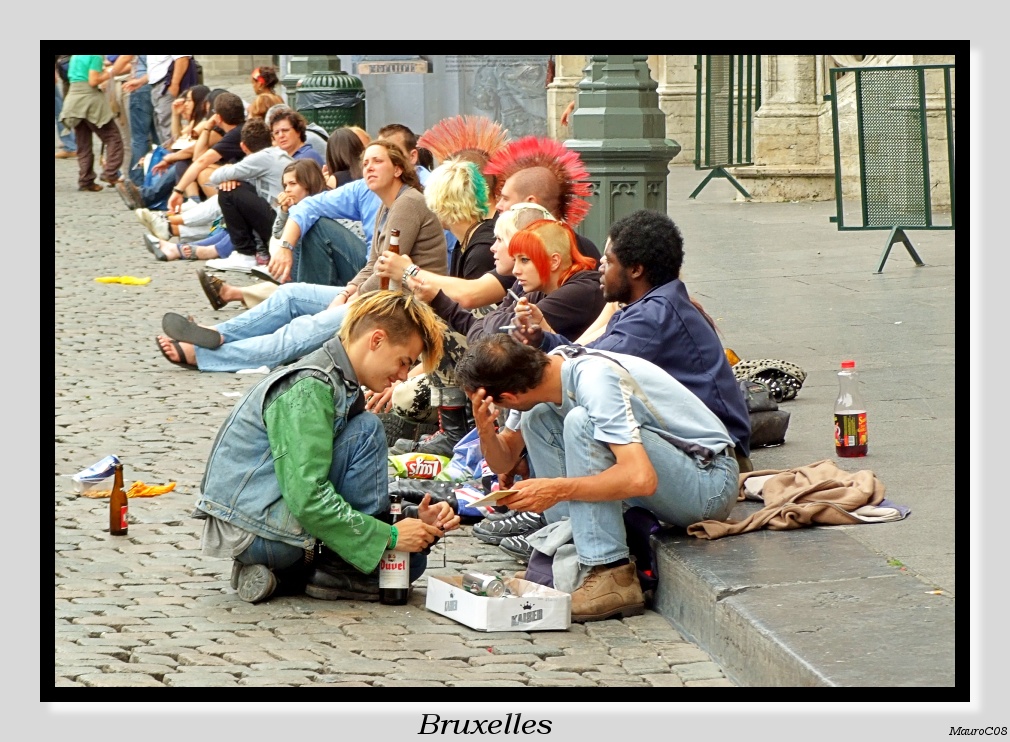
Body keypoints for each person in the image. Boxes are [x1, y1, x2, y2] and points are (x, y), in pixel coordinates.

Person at [194, 290, 458, 604]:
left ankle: (291, 572)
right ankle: (334, 570)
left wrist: (410, 517)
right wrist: (391, 535)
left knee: (407, 560)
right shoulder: (311, 387)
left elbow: (331, 483)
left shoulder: (332, 378)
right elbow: (308, 497)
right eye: (403, 362)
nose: (403, 376)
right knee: (368, 434)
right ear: (376, 340)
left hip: (262, 521)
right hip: (255, 531)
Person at [454, 334, 739, 623]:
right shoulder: (539, 376)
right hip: (670, 477)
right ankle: (573, 562)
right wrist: (485, 429)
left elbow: (641, 478)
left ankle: (610, 574)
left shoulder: (595, 382)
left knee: (582, 422)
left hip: (708, 483)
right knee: (537, 418)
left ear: (510, 397)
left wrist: (557, 490)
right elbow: (504, 459)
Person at [155, 139, 447, 373]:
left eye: (378, 162)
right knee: (291, 294)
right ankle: (219, 333)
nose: (368, 168)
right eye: (365, 162)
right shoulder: (386, 204)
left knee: (303, 328)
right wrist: (348, 290)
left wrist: (351, 300)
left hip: (405, 306)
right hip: (381, 297)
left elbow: (388, 272)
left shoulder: (408, 203)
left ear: (398, 169)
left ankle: (206, 356)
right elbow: (373, 264)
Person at [270, 124, 432, 286]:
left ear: (410, 158)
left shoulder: (428, 191)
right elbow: (308, 206)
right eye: (367, 162)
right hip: (369, 272)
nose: (371, 168)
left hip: (407, 285)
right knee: (304, 226)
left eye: (382, 159)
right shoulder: (364, 188)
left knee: (290, 297)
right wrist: (285, 246)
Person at [196, 159, 330, 306]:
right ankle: (230, 293)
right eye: (285, 185)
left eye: (293, 184)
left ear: (309, 183)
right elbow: (277, 235)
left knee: (292, 289)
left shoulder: (324, 203)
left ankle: (231, 293)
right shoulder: (296, 206)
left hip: (327, 273)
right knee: (288, 286)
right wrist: (284, 212)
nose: (287, 190)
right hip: (305, 271)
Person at [485, 135, 601, 262]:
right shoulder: (586, 246)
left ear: (531, 203)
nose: (498, 205)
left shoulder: (526, 252)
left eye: (506, 199)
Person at [59, 55, 128, 192]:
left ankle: (85, 180)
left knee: (83, 143)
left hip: (74, 99)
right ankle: (110, 172)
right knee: (113, 137)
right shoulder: (95, 56)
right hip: (90, 98)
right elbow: (93, 80)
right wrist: (109, 73)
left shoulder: (75, 56)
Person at [148, 55, 194, 146]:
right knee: (163, 128)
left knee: (169, 131)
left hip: (166, 85)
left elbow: (182, 58)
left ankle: (174, 157)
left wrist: (174, 85)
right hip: (158, 86)